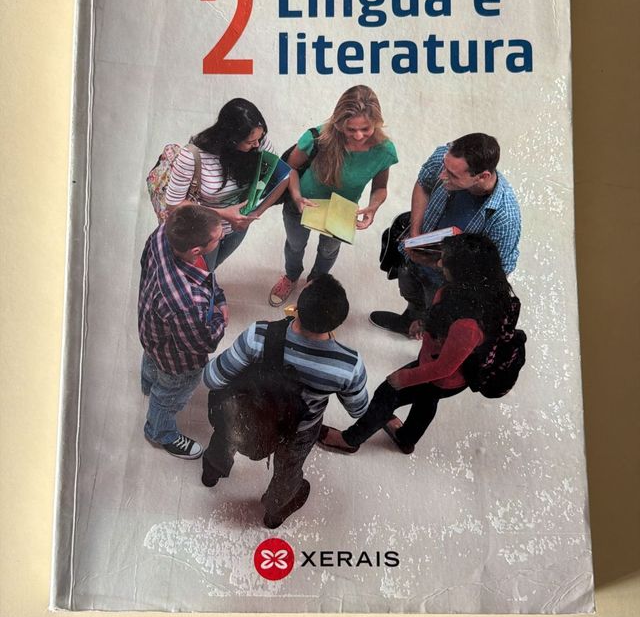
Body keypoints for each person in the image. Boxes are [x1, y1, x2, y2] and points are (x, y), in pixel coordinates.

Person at [320, 233, 518, 456]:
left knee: (387, 393)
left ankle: (350, 440)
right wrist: (425, 323)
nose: (440, 264)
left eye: (446, 262)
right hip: (446, 372)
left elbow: (443, 368)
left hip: (441, 375)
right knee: (426, 403)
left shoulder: (468, 325)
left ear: (463, 273)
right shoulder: (482, 292)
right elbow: (442, 317)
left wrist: (405, 378)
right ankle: (406, 439)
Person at [201, 275, 369, 529]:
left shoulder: (259, 335)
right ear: (338, 321)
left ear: (297, 308)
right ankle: (274, 512)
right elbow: (358, 409)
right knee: (289, 469)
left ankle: (212, 472)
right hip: (299, 429)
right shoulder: (348, 365)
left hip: (249, 412)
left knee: (225, 438)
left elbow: (212, 378)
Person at [370, 133, 521, 337]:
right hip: (415, 257)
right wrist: (415, 235)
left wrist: (437, 264)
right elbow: (424, 183)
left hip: (447, 282)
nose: (442, 176)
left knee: (438, 324)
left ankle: (427, 329)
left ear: (482, 176)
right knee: (411, 291)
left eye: (453, 176)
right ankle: (411, 317)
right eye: (445, 167)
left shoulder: (504, 218)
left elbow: (492, 277)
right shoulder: (446, 157)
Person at [268, 85, 398, 307]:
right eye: (351, 129)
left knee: (328, 250)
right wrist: (296, 197)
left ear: (376, 122)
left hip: (341, 211)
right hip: (301, 205)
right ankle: (291, 276)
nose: (358, 136)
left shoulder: (384, 150)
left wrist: (373, 207)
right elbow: (290, 168)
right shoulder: (317, 138)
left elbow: (380, 187)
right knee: (295, 245)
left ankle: (316, 282)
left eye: (365, 129)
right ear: (338, 123)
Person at [139, 204, 228, 460]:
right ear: (196, 251)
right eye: (218, 238)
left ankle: (148, 384)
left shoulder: (161, 234)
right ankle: (159, 432)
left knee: (152, 358)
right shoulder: (187, 303)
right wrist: (220, 318)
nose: (222, 236)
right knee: (169, 394)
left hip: (150, 327)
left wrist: (217, 296)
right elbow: (203, 343)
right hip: (177, 361)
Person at [165, 97, 287, 272]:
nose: (257, 145)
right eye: (250, 142)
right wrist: (224, 214)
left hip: (239, 227)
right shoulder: (192, 156)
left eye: (259, 138)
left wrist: (254, 214)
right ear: (231, 138)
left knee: (214, 265)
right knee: (203, 272)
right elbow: (173, 204)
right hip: (205, 231)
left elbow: (283, 178)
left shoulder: (259, 143)